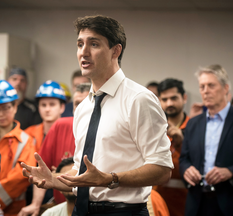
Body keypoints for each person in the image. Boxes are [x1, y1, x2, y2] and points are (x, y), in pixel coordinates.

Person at [21, 15, 173, 216]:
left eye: (94, 44)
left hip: (123, 212)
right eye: (80, 44)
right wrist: (54, 180)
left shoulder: (139, 99)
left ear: (115, 51)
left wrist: (110, 178)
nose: (83, 52)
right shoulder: (83, 107)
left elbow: (163, 169)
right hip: (80, 210)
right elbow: (80, 175)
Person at [18, 83, 91, 216]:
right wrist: (35, 204)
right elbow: (42, 172)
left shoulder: (107, 133)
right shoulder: (60, 126)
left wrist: (57, 174)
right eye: (77, 104)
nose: (80, 108)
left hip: (93, 207)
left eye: (86, 103)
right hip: (61, 206)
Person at [179, 64, 233, 216]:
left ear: (225, 88)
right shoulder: (193, 123)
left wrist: (230, 171)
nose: (205, 91)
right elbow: (184, 159)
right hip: (197, 203)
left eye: (211, 85)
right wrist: (186, 170)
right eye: (202, 86)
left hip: (228, 200)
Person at [0, 79, 36, 216]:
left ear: (15, 107)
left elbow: (21, 176)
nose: (1, 114)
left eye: (5, 108)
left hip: (14, 211)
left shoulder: (26, 140)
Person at [154, 78, 189, 216]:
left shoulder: (195, 127)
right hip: (158, 202)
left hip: (186, 203)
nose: (169, 103)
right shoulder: (154, 129)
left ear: (184, 98)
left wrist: (182, 143)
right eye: (165, 99)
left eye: (174, 98)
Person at [25, 80, 66, 153]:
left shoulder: (72, 134)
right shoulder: (28, 134)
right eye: (43, 105)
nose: (47, 109)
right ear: (38, 108)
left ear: (62, 107)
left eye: (52, 104)